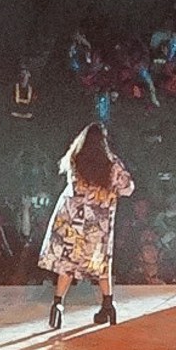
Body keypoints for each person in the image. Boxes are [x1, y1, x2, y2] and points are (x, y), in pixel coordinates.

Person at [37, 121, 135, 333]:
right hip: (98, 225)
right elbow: (128, 189)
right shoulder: (113, 165)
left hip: (75, 222)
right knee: (102, 263)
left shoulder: (75, 160)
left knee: (68, 265)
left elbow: (72, 188)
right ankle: (108, 306)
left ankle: (58, 305)